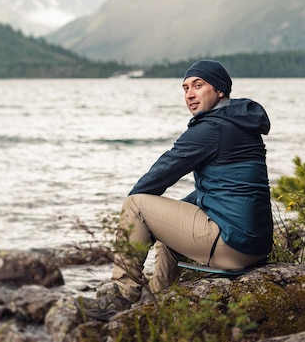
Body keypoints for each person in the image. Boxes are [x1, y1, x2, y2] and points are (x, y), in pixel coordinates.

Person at [78, 59, 273, 321]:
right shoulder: (239, 124)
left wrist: (135, 215)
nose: (190, 94)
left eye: (198, 85)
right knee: (171, 221)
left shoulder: (211, 128)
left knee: (136, 205)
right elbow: (225, 189)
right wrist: (162, 221)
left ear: (220, 91)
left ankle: (122, 296)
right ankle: (157, 299)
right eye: (185, 88)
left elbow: (161, 173)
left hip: (233, 244)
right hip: (255, 245)